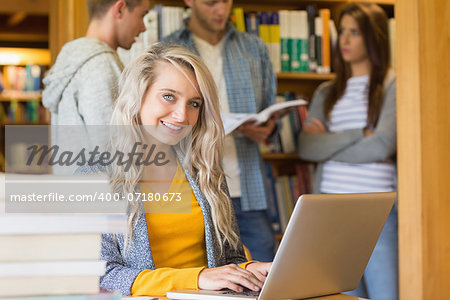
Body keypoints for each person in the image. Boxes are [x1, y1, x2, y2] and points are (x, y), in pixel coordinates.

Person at [78, 43, 271, 296]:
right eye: (168, 96)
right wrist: (197, 278)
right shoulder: (95, 173)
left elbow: (228, 258)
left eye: (194, 103)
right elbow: (101, 275)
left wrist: (250, 269)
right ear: (138, 95)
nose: (182, 115)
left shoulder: (203, 168)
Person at [162, 0, 277, 262]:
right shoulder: (168, 48)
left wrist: (268, 129)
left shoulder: (254, 48)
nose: (221, 10)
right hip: (194, 184)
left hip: (246, 185)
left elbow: (268, 109)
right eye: (211, 2)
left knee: (265, 269)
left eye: (226, 1)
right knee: (205, 270)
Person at [298, 3, 397, 300]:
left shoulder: (393, 84)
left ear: (374, 37)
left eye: (354, 32)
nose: (344, 40)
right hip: (332, 207)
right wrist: (358, 134)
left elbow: (383, 144)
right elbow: (307, 147)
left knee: (385, 294)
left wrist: (328, 143)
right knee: (344, 296)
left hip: (378, 206)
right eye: (342, 31)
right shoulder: (326, 92)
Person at [42, 0, 150, 162]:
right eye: (142, 15)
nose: (144, 27)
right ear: (120, 9)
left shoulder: (75, 59)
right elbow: (113, 154)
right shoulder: (101, 65)